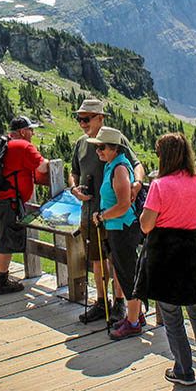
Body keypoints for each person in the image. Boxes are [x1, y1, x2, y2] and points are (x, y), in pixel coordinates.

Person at [133, 132, 196, 386]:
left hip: (165, 254)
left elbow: (146, 225)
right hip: (192, 253)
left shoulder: (159, 185)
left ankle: (183, 369)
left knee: (172, 315)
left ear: (164, 157)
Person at [69, 99, 145, 325]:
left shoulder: (114, 139)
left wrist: (138, 184)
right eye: (79, 119)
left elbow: (137, 164)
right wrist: (74, 189)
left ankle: (119, 303)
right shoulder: (81, 143)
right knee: (96, 258)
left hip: (113, 213)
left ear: (100, 118)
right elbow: (73, 171)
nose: (82, 123)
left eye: (86, 118)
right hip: (90, 209)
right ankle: (101, 303)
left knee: (116, 259)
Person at [82, 128, 146, 340]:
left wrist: (102, 216)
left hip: (122, 227)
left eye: (101, 147)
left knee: (128, 274)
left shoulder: (119, 169)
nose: (98, 151)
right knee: (125, 271)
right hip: (117, 228)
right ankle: (136, 315)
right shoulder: (112, 165)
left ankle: (134, 322)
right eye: (96, 147)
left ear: (114, 148)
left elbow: (124, 205)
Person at [0, 117, 51, 295]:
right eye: (31, 130)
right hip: (9, 199)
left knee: (2, 237)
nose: (33, 134)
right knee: (7, 240)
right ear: (23, 132)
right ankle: (1, 281)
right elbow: (44, 167)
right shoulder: (23, 146)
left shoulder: (2, 144)